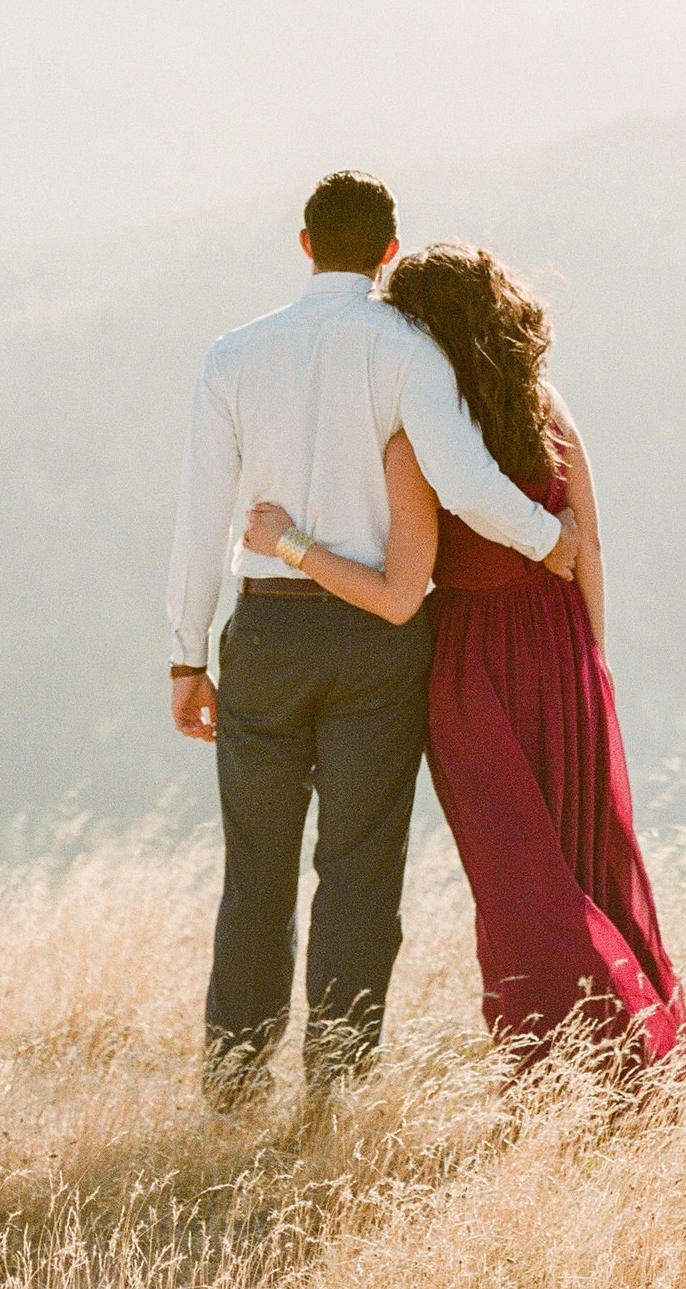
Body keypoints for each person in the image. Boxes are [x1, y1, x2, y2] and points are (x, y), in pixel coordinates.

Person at [166, 170, 581, 1103]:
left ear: (305, 244)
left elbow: (200, 519)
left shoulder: (233, 356)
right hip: (378, 644)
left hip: (266, 630)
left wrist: (188, 652)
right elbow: (468, 482)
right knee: (359, 874)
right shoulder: (408, 351)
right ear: (389, 253)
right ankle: (337, 1096)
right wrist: (551, 540)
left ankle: (233, 1091)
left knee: (256, 875)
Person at [243, 240, 686, 1082]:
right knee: (590, 860)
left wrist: (289, 544)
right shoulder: (545, 406)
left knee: (522, 886)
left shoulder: (416, 442)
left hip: (474, 675)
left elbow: (398, 595)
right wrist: (594, 660)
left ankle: (606, 1064)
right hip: (564, 656)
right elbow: (589, 539)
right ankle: (627, 1060)